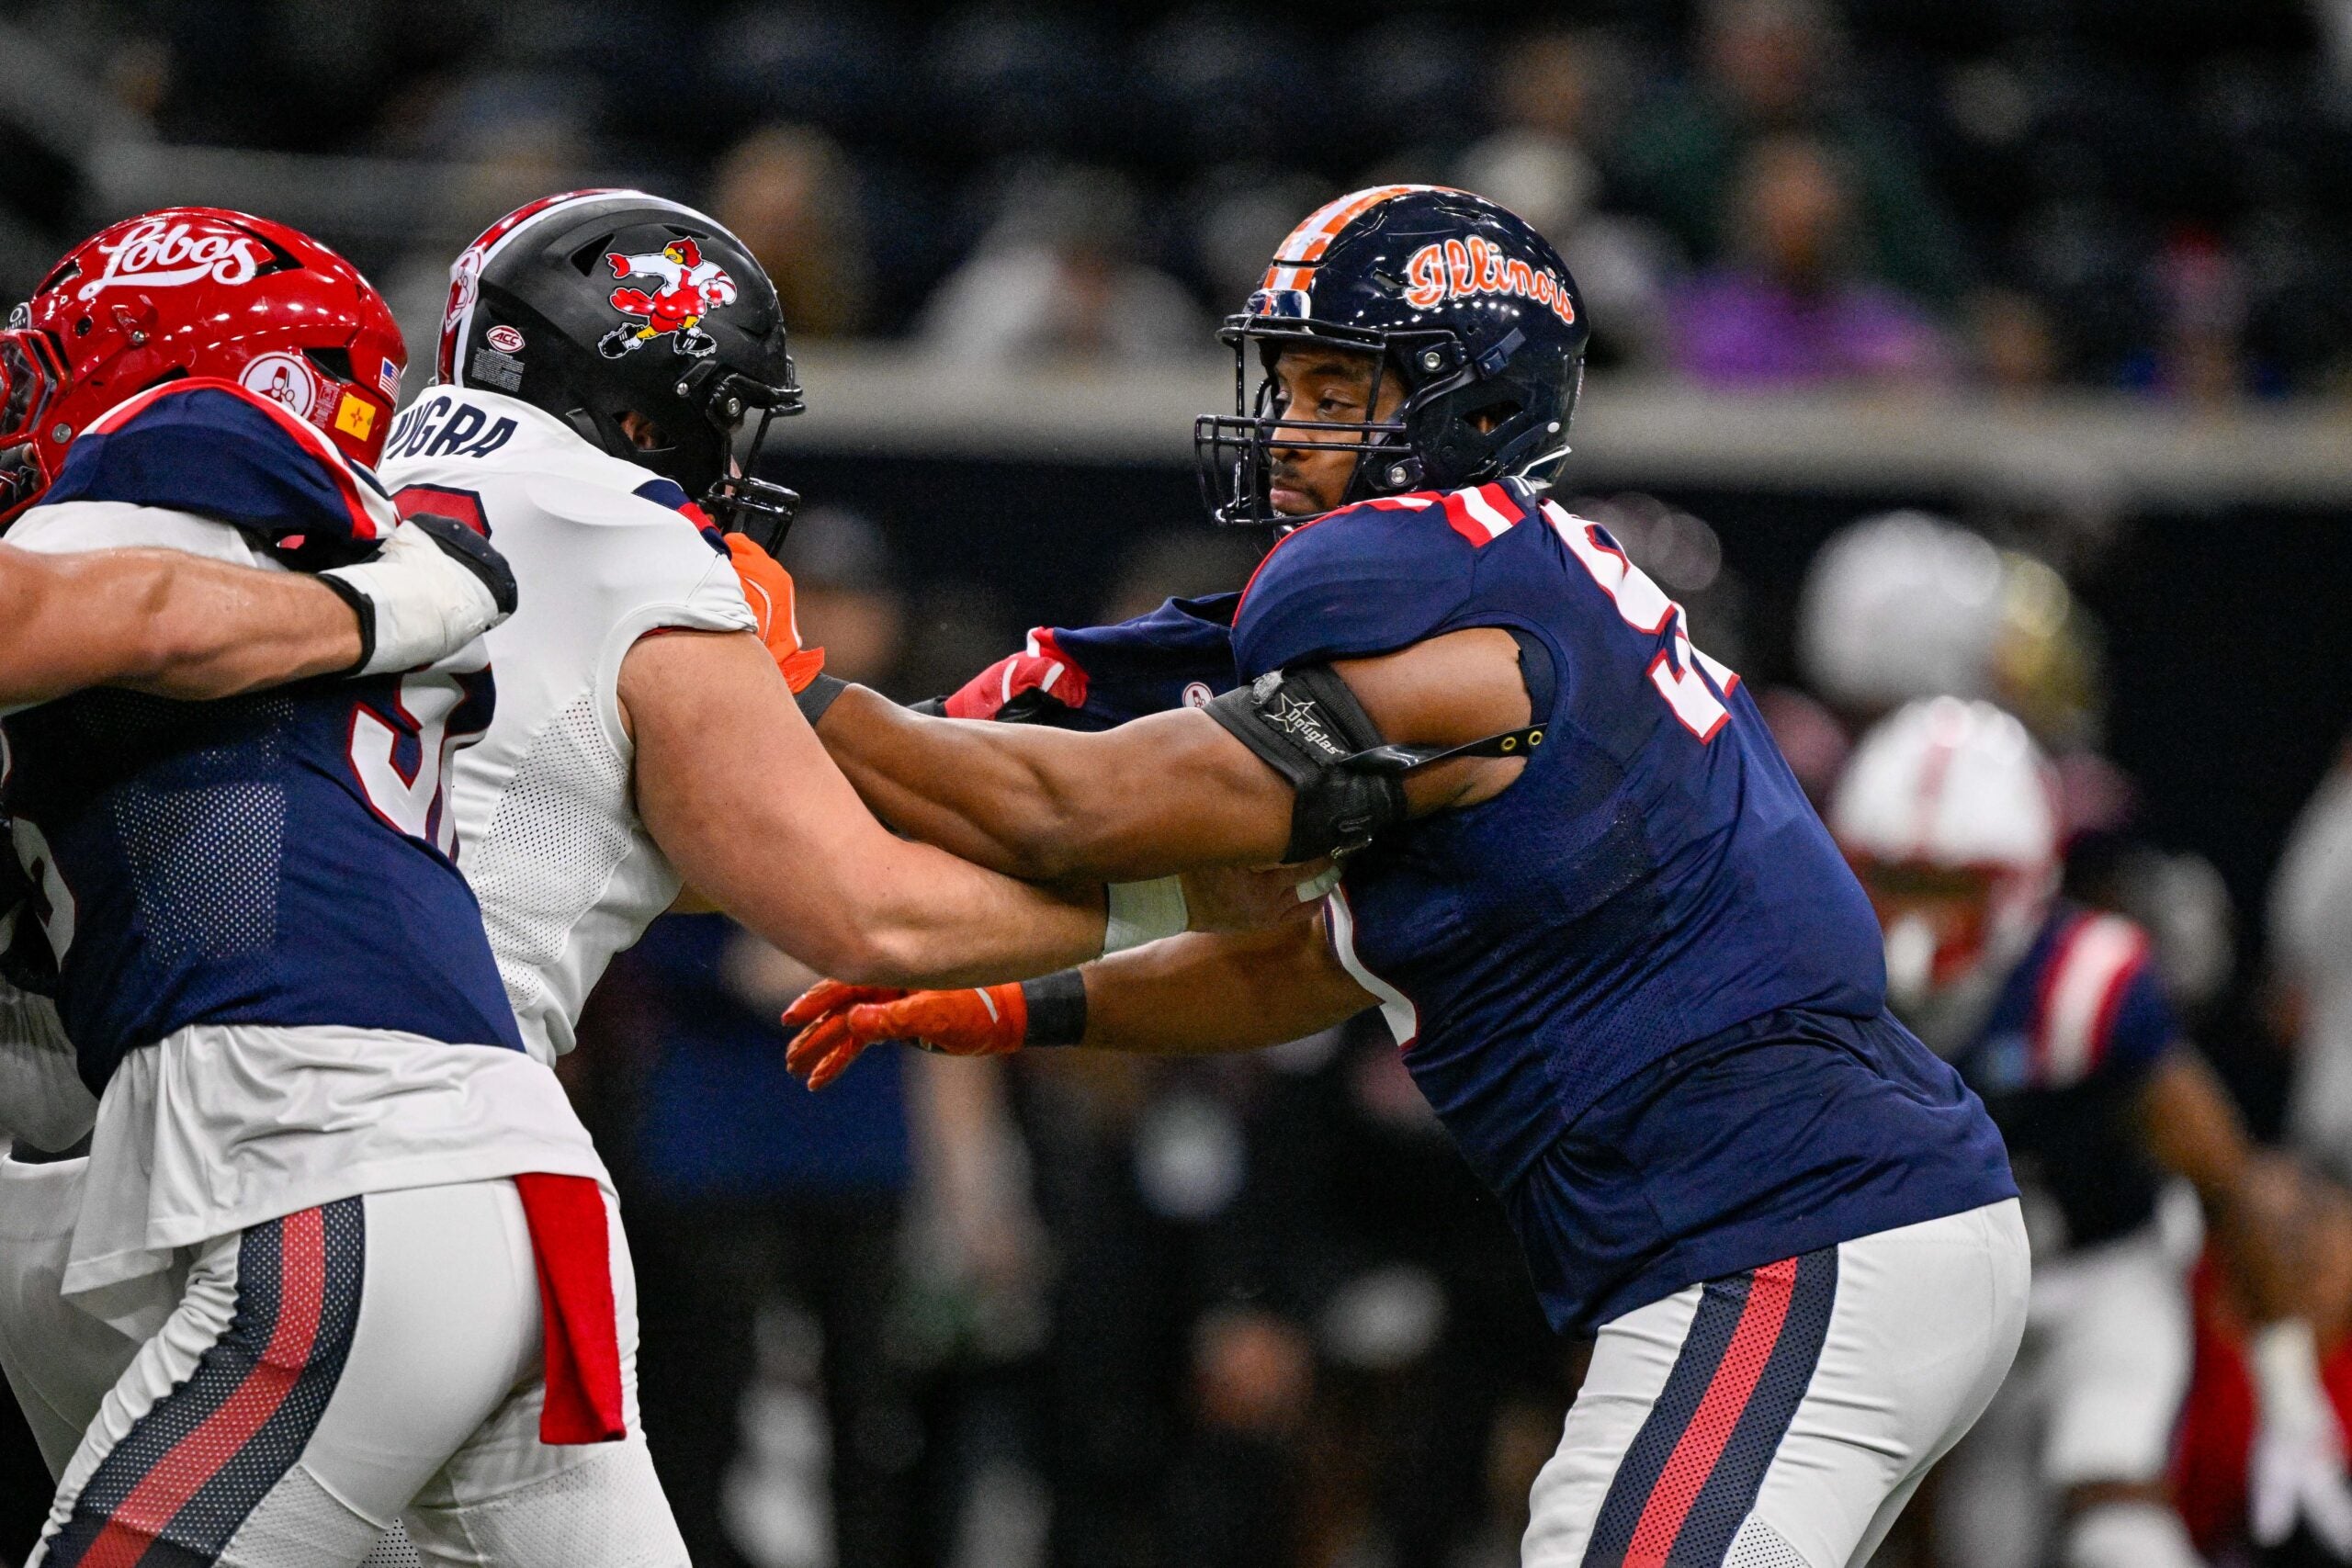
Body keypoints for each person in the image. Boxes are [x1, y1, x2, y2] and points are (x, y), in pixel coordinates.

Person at [782, 185, 2029, 1567]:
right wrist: (1024, 1008)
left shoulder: (1474, 660)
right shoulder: (1514, 610)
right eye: (1289, 381)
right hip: (1812, 1226)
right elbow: (1311, 964)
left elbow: (1069, 810)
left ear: (1474, 407)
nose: (1291, 430)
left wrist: (780, 688)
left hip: (1797, 1228)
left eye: (1336, 385)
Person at [0, 188, 1238, 1562]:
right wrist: (1167, 896)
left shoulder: (350, 500)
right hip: (449, 1166)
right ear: (649, 406)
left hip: (317, 1148)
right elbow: (849, 899)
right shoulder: (583, 523)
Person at [0, 207, 671, 1568]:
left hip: (337, 1163)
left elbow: (83, 615)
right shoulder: (308, 551)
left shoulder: (189, 446)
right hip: (501, 1178)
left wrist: (372, 615)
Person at [1827, 697, 2352, 1568]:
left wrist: (2289, 1393)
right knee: (1984, 1545)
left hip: (2103, 1273)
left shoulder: (2082, 986)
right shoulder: (1829, 988)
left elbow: (2228, 1181)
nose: (1920, 919)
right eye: (1897, 880)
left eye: (1952, 885)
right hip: (1948, 1299)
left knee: (2115, 1509)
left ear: (2023, 879)